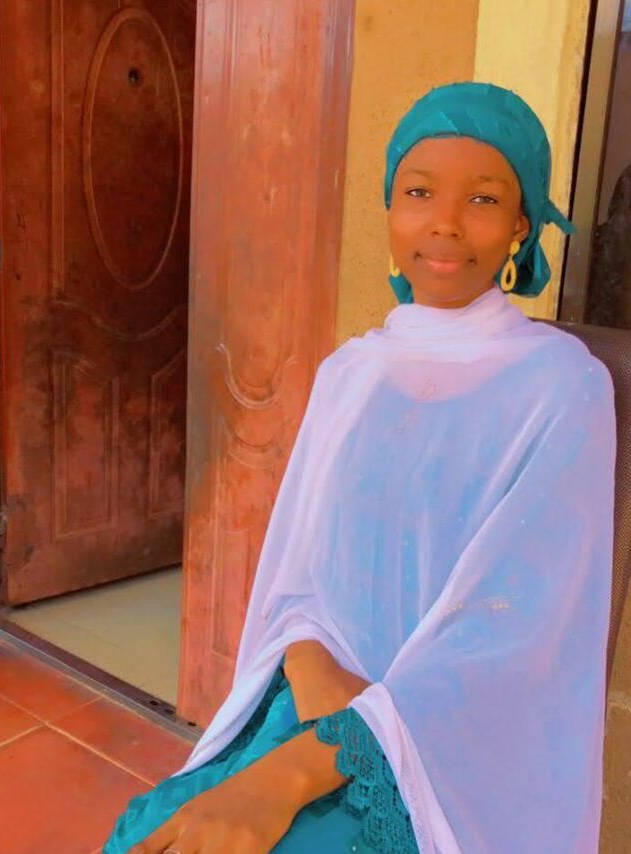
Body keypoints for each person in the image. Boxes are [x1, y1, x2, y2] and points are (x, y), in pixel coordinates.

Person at [104, 82, 616, 854]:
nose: (444, 222)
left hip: (444, 749)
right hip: (320, 700)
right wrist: (316, 688)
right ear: (389, 207)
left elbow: (514, 639)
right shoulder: (351, 373)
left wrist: (305, 768)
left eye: (483, 199)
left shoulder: (562, 387)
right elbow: (302, 573)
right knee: (148, 833)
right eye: (419, 192)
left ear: (522, 224)